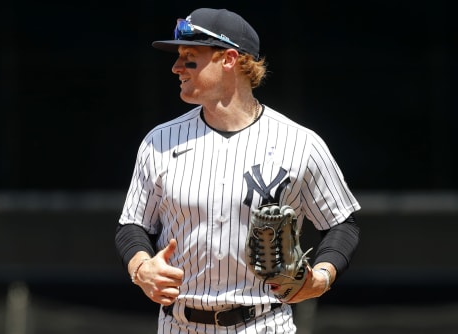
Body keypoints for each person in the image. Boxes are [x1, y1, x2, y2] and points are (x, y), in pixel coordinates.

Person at [115, 8, 361, 334]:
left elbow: (343, 225)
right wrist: (141, 268)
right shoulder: (159, 141)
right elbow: (132, 226)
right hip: (178, 324)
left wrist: (322, 277)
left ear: (229, 59)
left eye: (190, 57)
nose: (176, 67)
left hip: (263, 323)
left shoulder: (300, 143)